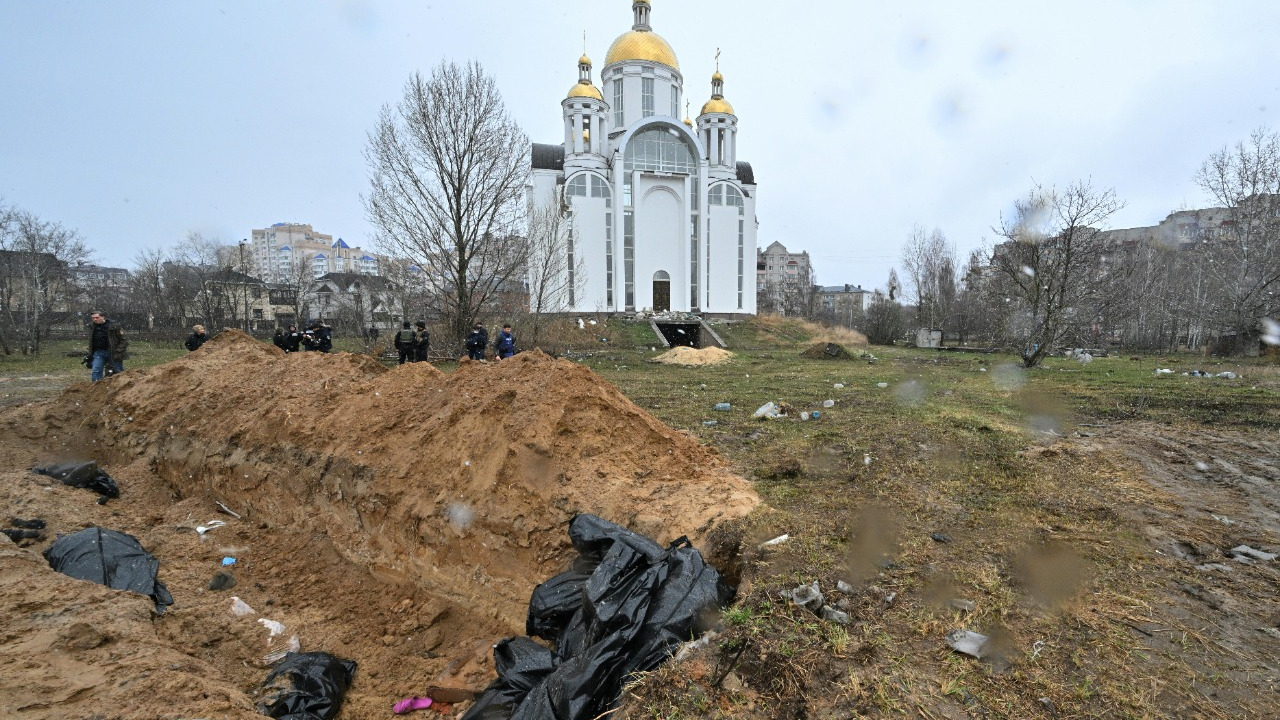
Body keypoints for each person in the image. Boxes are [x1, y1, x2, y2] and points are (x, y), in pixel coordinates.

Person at [85, 310, 127, 381]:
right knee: (96, 370)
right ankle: (95, 387)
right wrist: (90, 353)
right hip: (99, 352)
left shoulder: (114, 326)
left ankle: (121, 387)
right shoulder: (92, 327)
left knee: (118, 371)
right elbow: (91, 341)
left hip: (114, 352)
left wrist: (119, 351)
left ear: (103, 317)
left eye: (97, 317)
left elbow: (124, 340)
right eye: (93, 318)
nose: (95, 319)